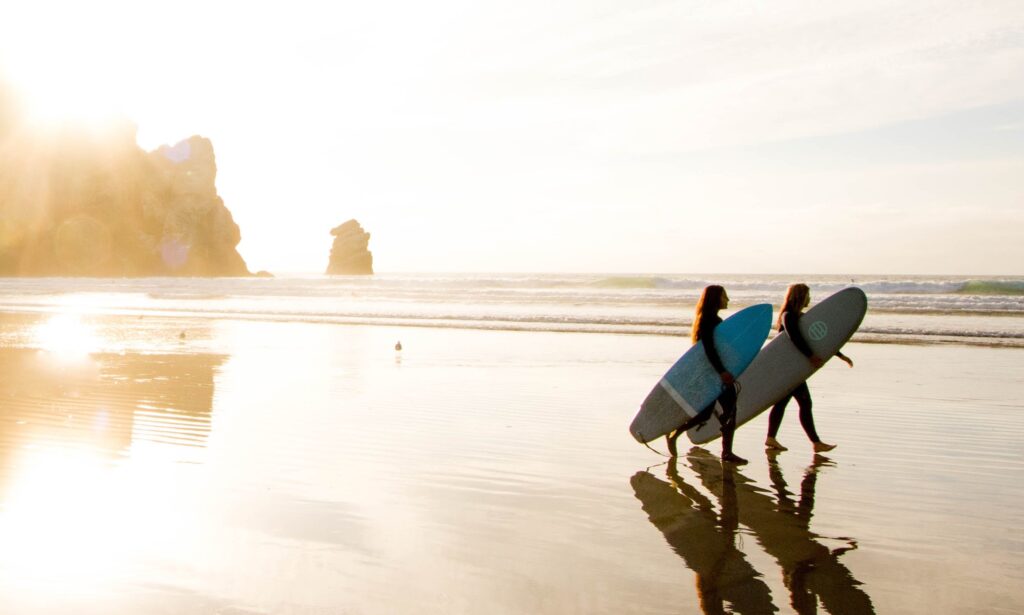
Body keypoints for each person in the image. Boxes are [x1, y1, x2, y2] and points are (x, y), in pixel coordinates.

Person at [765, 283, 853, 453]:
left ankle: (771, 438)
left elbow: (819, 340)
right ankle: (815, 443)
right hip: (789, 368)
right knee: (804, 403)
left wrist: (840, 356)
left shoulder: (800, 317)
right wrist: (810, 356)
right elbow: (794, 338)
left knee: (783, 402)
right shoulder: (788, 316)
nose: (810, 299)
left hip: (794, 367)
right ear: (800, 297)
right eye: (807, 295)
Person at [667, 285, 747, 464]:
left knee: (706, 414)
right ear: (715, 299)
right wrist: (722, 372)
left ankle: (675, 433)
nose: (728, 300)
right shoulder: (710, 321)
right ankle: (726, 453)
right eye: (724, 296)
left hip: (711, 372)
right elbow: (710, 349)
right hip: (716, 373)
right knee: (730, 412)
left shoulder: (708, 319)